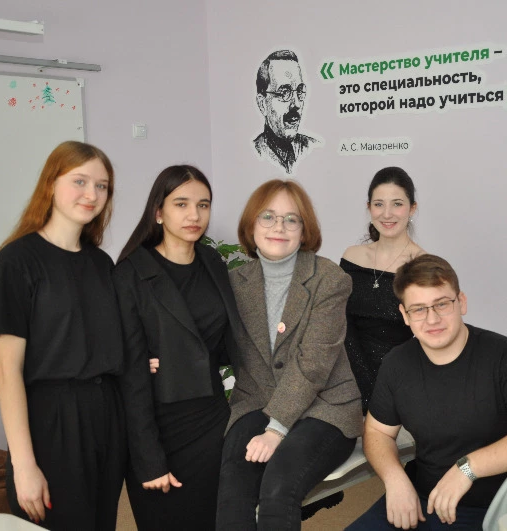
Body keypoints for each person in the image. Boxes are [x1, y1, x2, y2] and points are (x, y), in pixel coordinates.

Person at [347, 254, 507, 531]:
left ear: (461, 302)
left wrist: (467, 468)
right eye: (418, 309)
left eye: (442, 304)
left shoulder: (502, 355)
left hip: (490, 507)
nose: (432, 319)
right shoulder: (396, 364)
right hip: (422, 498)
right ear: (404, 315)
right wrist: (395, 479)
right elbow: (377, 432)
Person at [0, 141, 126, 530]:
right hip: (51, 421)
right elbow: (6, 371)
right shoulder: (15, 263)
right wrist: (23, 464)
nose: (91, 194)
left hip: (106, 416)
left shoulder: (101, 263)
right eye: (79, 181)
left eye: (102, 186)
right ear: (50, 183)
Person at [215, 179, 363, 530]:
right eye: (267, 217)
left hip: (325, 407)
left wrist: (276, 430)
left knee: (279, 488)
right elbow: (211, 342)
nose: (278, 227)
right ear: (251, 226)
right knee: (233, 486)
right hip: (258, 401)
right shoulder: (234, 283)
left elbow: (314, 364)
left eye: (291, 219)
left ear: (304, 229)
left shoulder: (330, 278)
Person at [113, 166, 240, 530]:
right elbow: (131, 379)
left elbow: (222, 342)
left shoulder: (212, 261)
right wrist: (148, 459)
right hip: (159, 423)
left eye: (203, 205)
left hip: (212, 418)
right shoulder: (130, 273)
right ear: (158, 212)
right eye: (181, 204)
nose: (194, 215)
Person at [341, 166, 426, 413]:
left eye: (397, 204)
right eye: (379, 204)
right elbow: (338, 323)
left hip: (398, 385)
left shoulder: (422, 266)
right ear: (369, 208)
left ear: (412, 208)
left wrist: (375, 395)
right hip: (344, 383)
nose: (387, 214)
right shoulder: (351, 257)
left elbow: (428, 334)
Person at [253, 50, 320, 174]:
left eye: (299, 91)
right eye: (284, 93)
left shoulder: (314, 148)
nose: (296, 104)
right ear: (263, 104)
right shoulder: (254, 153)